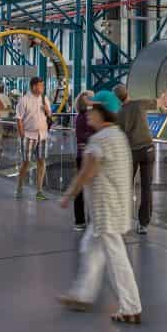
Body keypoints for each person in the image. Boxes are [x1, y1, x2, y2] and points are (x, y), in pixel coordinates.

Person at [58, 90, 141, 324]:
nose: (88, 114)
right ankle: (82, 294)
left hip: (106, 209)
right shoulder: (117, 135)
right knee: (90, 247)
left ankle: (131, 307)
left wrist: (68, 195)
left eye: (92, 110)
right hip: (112, 207)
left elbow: (87, 173)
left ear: (103, 112)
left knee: (116, 258)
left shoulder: (99, 140)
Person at [115, 84, 153, 235]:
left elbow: (119, 135)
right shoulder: (140, 104)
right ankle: (143, 224)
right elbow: (161, 101)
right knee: (146, 188)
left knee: (126, 187)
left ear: (118, 98)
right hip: (148, 150)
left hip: (131, 152)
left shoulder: (120, 113)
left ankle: (122, 221)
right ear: (128, 92)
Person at [16, 76, 52, 200]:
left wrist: (46, 109)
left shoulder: (44, 98)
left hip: (43, 135)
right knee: (26, 162)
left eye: (43, 85)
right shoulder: (24, 100)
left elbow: (49, 114)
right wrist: (22, 135)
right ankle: (20, 186)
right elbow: (19, 119)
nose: (43, 87)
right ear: (34, 86)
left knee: (41, 161)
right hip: (28, 136)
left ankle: (39, 191)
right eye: (41, 85)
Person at [73, 90, 95, 231]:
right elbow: (85, 137)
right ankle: (89, 219)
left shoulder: (79, 117)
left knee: (81, 189)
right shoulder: (87, 118)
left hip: (82, 155)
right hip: (89, 157)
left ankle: (80, 220)